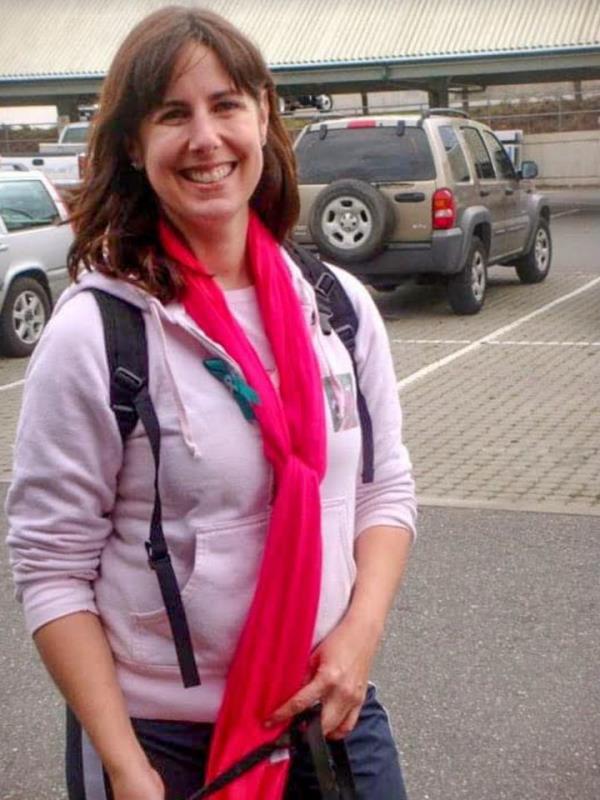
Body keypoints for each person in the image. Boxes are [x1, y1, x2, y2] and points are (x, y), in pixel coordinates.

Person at [6, 6, 417, 800]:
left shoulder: (337, 306)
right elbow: (52, 567)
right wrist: (125, 766)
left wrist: (359, 639)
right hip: (162, 736)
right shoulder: (98, 333)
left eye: (226, 105)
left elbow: (384, 489)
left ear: (262, 116)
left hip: (328, 703)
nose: (206, 138)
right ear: (134, 145)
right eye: (172, 114)